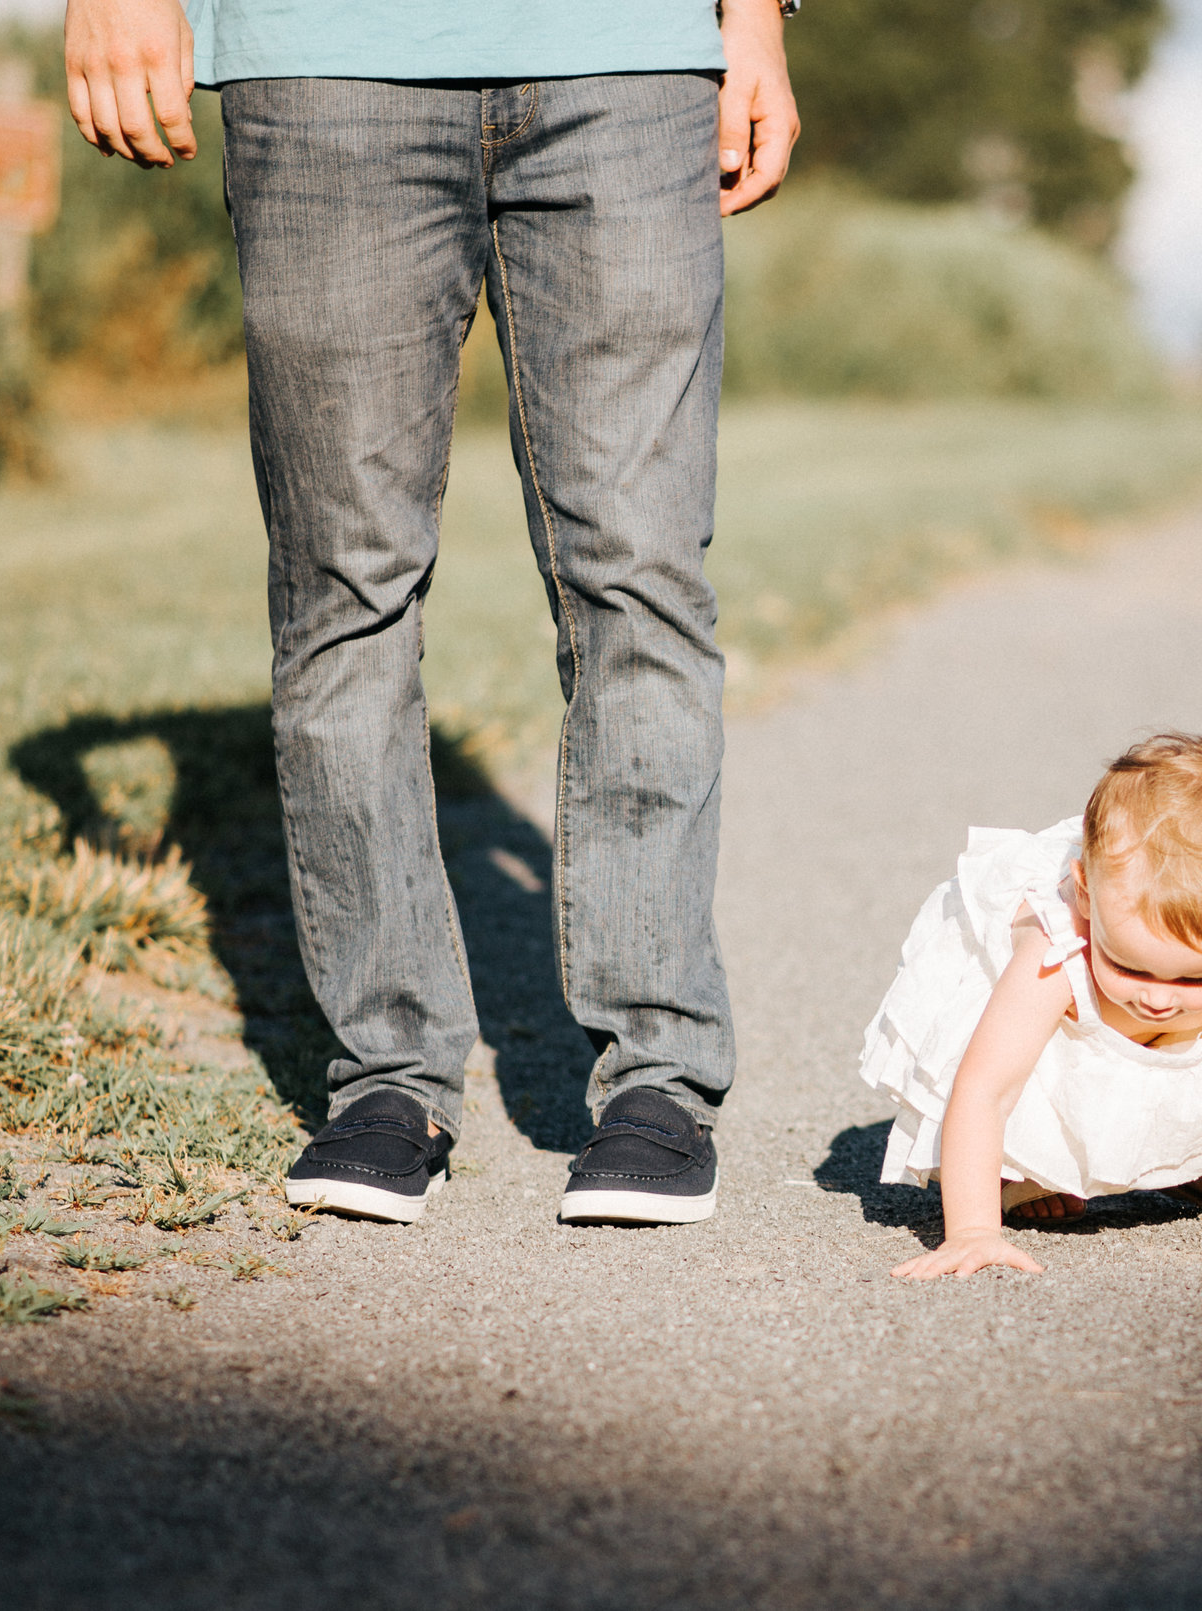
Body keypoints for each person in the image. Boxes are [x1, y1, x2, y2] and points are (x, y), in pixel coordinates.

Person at [59, 0, 800, 1226]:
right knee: (344, 589)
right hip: (324, 65)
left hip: (630, 61)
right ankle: (388, 1078)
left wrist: (758, 22)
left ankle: (659, 1079)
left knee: (642, 578)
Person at [861, 733, 1202, 1280]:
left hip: (1174, 1052)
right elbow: (988, 1088)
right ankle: (1016, 1176)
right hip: (1054, 1050)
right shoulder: (1058, 942)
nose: (1157, 996)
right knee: (1012, 1081)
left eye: (1198, 976)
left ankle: (1199, 1165)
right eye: (1130, 966)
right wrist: (972, 1232)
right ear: (1084, 893)